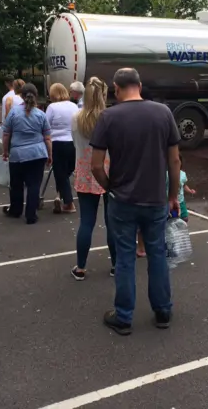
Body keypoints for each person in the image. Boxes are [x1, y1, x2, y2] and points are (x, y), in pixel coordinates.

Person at [90, 67, 181, 336]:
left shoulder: (109, 116)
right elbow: (174, 161)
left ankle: (124, 316)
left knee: (126, 258)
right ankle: (163, 310)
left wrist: (110, 189)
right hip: (155, 201)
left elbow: (96, 166)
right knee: (157, 255)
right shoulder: (163, 113)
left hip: (123, 201)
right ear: (139, 85)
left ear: (116, 89)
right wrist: (173, 196)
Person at [70, 77, 116, 280]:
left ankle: (80, 267)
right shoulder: (110, 118)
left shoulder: (76, 118)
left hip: (85, 171)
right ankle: (116, 265)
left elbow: (75, 144)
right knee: (112, 222)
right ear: (103, 95)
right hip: (109, 172)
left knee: (86, 222)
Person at [2, 83, 52, 225]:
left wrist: (5, 151)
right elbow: (47, 138)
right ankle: (31, 215)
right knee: (34, 185)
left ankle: (16, 210)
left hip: (17, 154)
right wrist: (50, 154)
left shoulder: (13, 112)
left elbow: (6, 134)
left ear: (21, 96)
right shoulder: (41, 114)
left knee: (16, 184)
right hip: (37, 153)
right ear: (36, 96)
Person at [46, 83, 78, 214]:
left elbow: (46, 126)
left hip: (57, 143)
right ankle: (60, 195)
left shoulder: (52, 107)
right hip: (72, 142)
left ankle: (69, 203)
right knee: (67, 170)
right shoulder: (74, 106)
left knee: (60, 173)